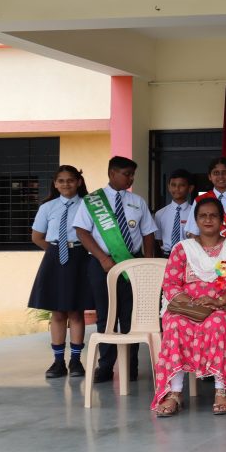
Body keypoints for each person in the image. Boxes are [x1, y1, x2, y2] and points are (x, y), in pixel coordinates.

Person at [152, 197, 226, 417]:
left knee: (217, 323)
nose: (208, 219)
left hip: (223, 307)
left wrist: (218, 301)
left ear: (221, 219)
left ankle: (221, 390)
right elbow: (170, 283)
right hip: (187, 307)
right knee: (175, 324)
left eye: (213, 215)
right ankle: (175, 393)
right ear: (195, 220)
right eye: (202, 216)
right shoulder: (183, 249)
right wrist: (190, 304)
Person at [73, 156, 158, 383]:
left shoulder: (137, 201)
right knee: (106, 316)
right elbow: (82, 231)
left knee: (131, 317)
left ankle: (131, 366)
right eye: (126, 174)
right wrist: (102, 258)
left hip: (133, 264)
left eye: (132, 175)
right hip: (102, 265)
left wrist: (147, 262)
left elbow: (148, 233)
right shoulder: (92, 201)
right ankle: (106, 367)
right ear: (112, 173)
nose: (130, 178)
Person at [30, 165, 92, 379]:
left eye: (71, 180)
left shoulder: (88, 205)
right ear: (55, 184)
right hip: (55, 258)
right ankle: (58, 362)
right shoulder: (48, 207)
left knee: (75, 310)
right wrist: (57, 252)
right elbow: (37, 237)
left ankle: (76, 361)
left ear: (79, 182)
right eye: (61, 180)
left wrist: (71, 251)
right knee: (57, 312)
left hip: (79, 258)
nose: (66, 184)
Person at [153, 168, 194, 259]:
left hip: (189, 255)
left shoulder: (195, 212)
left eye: (181, 185)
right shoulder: (160, 214)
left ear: (190, 188)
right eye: (173, 185)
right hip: (167, 256)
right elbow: (159, 240)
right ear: (168, 187)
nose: (177, 189)